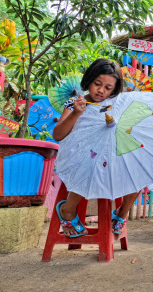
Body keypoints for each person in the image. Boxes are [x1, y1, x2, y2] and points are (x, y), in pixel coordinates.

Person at [53, 58, 139, 237]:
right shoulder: (75, 103)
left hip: (112, 157)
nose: (101, 90)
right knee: (89, 163)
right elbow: (58, 135)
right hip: (81, 157)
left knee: (139, 171)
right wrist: (76, 113)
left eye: (108, 88)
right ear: (89, 80)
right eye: (97, 84)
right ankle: (68, 209)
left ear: (114, 90)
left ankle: (121, 213)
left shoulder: (116, 105)